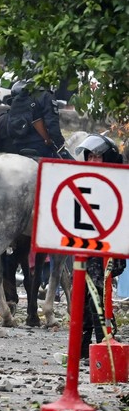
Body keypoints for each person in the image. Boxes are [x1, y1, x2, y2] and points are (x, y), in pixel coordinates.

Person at [75, 134, 126, 358]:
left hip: (107, 250)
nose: (94, 161)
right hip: (83, 248)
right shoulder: (80, 181)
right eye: (91, 157)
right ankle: (84, 348)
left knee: (98, 292)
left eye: (98, 157)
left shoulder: (119, 185)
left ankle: (105, 344)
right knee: (85, 294)